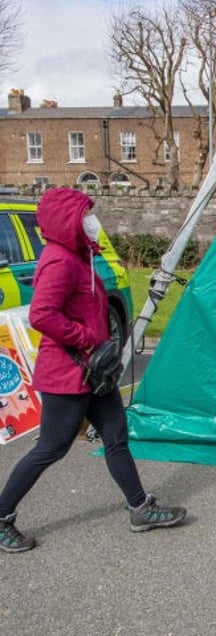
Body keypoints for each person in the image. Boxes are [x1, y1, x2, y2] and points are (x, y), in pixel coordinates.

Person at [0, 188, 187, 554]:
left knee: (116, 437)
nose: (93, 221)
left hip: (94, 373)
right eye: (86, 214)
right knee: (51, 448)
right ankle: (2, 515)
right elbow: (42, 314)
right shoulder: (59, 261)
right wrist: (85, 338)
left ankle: (140, 509)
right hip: (68, 374)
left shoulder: (80, 257)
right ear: (68, 220)